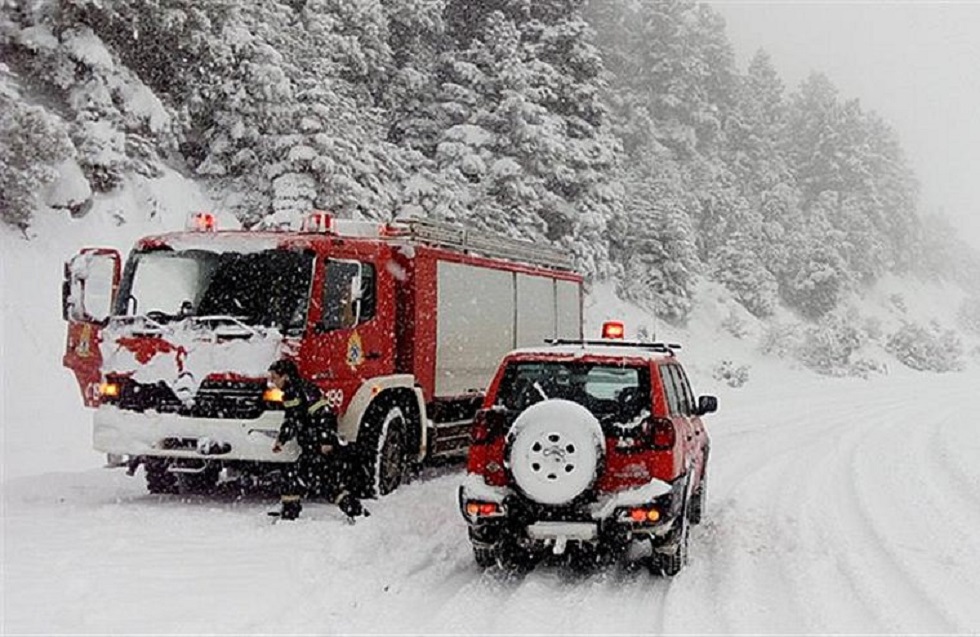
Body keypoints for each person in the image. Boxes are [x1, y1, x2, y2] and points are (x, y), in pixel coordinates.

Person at [268, 358, 368, 521]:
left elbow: (325, 415)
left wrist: (325, 441)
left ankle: (356, 512)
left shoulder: (306, 391)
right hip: (310, 446)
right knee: (295, 476)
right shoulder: (290, 394)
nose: (272, 382)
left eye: (274, 377)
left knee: (326, 484)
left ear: (285, 376)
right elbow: (292, 420)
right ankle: (289, 513)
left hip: (319, 446)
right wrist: (282, 439)